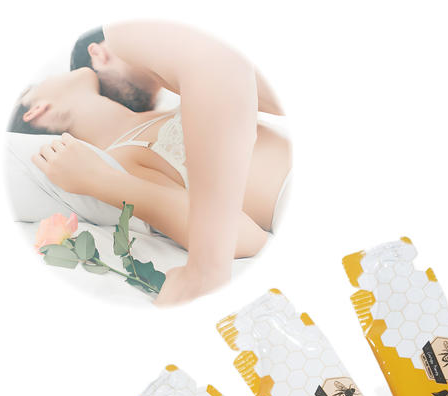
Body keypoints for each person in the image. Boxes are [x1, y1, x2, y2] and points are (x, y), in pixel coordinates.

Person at [49, 22, 284, 306]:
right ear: (98, 54)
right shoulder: (121, 155)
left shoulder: (190, 88)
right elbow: (246, 237)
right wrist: (100, 181)